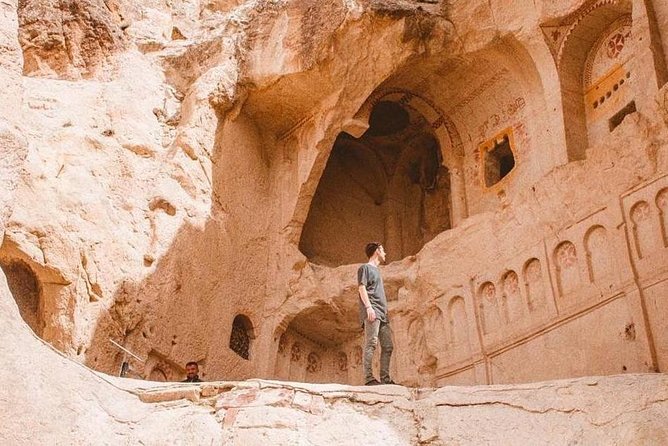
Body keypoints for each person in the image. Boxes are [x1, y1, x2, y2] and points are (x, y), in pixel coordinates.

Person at [357, 242, 395, 385]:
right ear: (377, 251)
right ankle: (369, 378)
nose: (385, 253)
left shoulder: (377, 271)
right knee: (371, 343)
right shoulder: (365, 268)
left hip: (382, 313)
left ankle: (385, 379)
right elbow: (362, 288)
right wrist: (368, 308)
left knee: (388, 346)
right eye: (383, 250)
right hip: (372, 311)